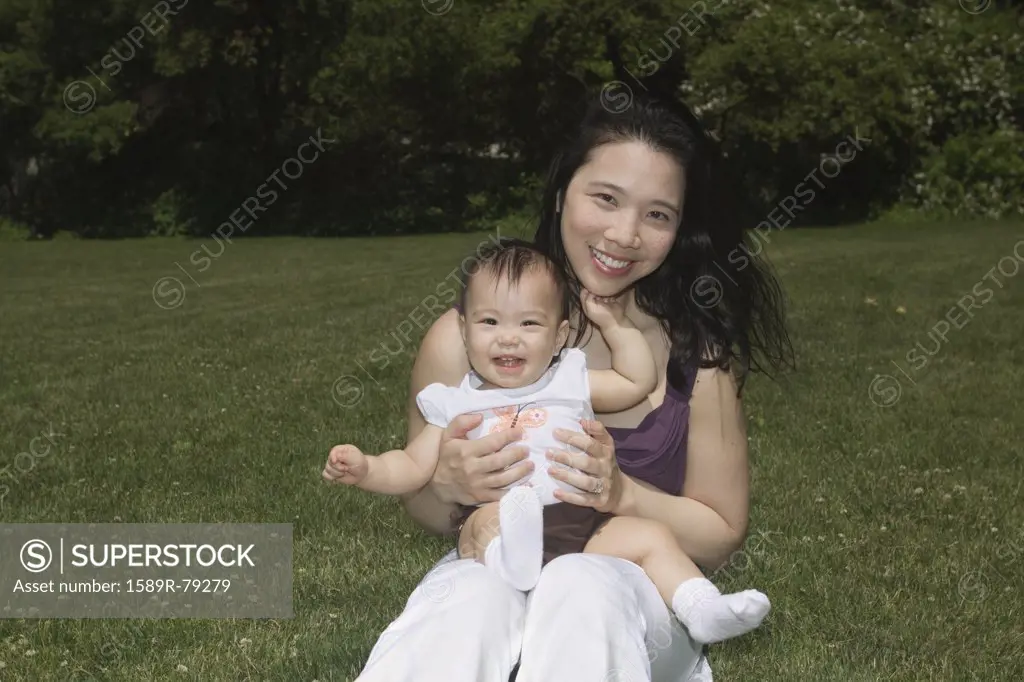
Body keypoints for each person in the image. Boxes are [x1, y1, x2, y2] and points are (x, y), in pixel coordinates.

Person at [353, 90, 792, 682]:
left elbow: (719, 536)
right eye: (606, 199)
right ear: (563, 192)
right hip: (501, 567)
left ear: (680, 228)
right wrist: (448, 487)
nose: (625, 233)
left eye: (657, 214)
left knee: (579, 584)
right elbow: (426, 506)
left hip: (625, 592)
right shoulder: (465, 341)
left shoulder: (697, 357)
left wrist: (623, 495)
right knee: (467, 607)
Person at [323, 239, 771, 646]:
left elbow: (636, 380)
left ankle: (702, 608)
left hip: (584, 527)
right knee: (500, 528)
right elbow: (411, 465)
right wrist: (366, 468)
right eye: (490, 321)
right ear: (464, 331)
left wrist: (613, 326)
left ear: (558, 337)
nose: (508, 337)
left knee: (650, 537)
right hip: (497, 526)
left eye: (530, 323)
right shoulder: (455, 401)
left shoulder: (568, 379)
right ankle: (513, 568)